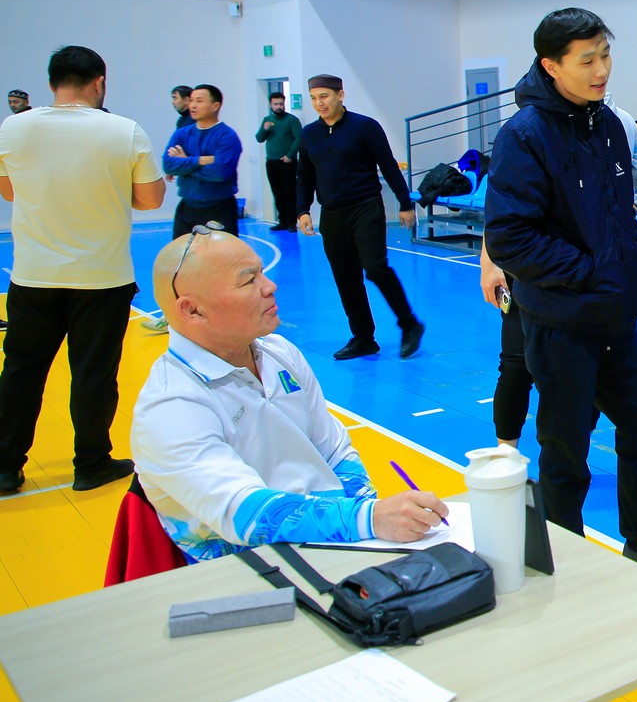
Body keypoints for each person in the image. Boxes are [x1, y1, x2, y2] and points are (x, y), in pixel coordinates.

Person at [484, 8, 637, 574]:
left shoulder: (608, 124)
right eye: (587, 60)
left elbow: (616, 210)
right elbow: (510, 238)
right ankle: (565, 559)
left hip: (615, 315)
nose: (602, 70)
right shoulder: (523, 136)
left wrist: (625, 263)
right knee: (566, 449)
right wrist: (590, 270)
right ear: (551, 66)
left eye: (606, 55)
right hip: (560, 321)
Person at [131, 231, 447, 560]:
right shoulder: (170, 406)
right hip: (248, 568)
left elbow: (334, 450)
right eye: (249, 280)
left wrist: (366, 517)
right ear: (193, 310)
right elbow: (244, 514)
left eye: (262, 272)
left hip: (332, 540)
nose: (270, 286)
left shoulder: (279, 352)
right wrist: (368, 519)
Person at [0, 45, 166, 495]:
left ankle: (5, 467)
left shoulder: (14, 127)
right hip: (102, 277)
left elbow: (9, 192)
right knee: (94, 373)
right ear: (99, 82)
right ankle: (91, 463)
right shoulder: (124, 130)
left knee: (21, 371)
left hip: (33, 275)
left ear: (51, 83)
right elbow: (151, 200)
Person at [482, 89, 637, 449]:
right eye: (586, 63)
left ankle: (576, 452)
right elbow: (504, 214)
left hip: (597, 285)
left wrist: (633, 209)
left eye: (602, 62)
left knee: (592, 380)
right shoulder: (528, 129)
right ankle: (506, 457)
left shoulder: (617, 122)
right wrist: (489, 260)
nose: (597, 72)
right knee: (515, 364)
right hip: (535, 276)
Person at [296, 75, 424, 360]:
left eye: (324, 96)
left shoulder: (365, 127)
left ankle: (409, 324)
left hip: (365, 207)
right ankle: (363, 337)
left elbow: (388, 166)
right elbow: (304, 175)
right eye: (314, 98)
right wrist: (302, 209)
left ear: (340, 95)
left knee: (375, 268)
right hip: (331, 214)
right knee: (345, 277)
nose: (319, 103)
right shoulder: (309, 134)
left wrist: (405, 203)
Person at [163, 84, 243, 238]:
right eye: (191, 100)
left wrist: (184, 163)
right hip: (187, 207)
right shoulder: (181, 134)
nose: (193, 105)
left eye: (199, 101)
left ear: (215, 106)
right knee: (183, 252)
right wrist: (199, 161)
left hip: (219, 209)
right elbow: (168, 165)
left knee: (220, 253)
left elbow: (220, 172)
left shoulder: (227, 136)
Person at [256, 91, 303, 231]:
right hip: (272, 162)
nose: (278, 107)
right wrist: (264, 129)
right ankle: (282, 221)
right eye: (276, 104)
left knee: (289, 192)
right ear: (271, 105)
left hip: (287, 162)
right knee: (277, 193)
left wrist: (290, 155)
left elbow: (299, 138)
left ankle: (292, 222)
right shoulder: (267, 120)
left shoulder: (291, 120)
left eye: (281, 104)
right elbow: (259, 138)